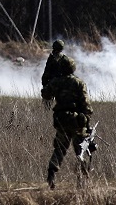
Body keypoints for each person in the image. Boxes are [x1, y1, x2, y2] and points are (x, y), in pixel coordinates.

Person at [40, 56, 93, 189]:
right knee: (80, 150)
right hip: (76, 122)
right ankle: (83, 180)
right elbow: (86, 104)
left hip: (61, 120)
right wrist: (86, 119)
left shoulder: (56, 82)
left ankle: (51, 174)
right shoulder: (79, 83)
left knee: (59, 149)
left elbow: (45, 94)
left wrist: (49, 82)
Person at [41, 39, 69, 109]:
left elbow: (46, 72)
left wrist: (44, 83)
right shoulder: (65, 58)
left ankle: (47, 116)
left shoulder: (52, 58)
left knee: (47, 104)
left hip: (51, 83)